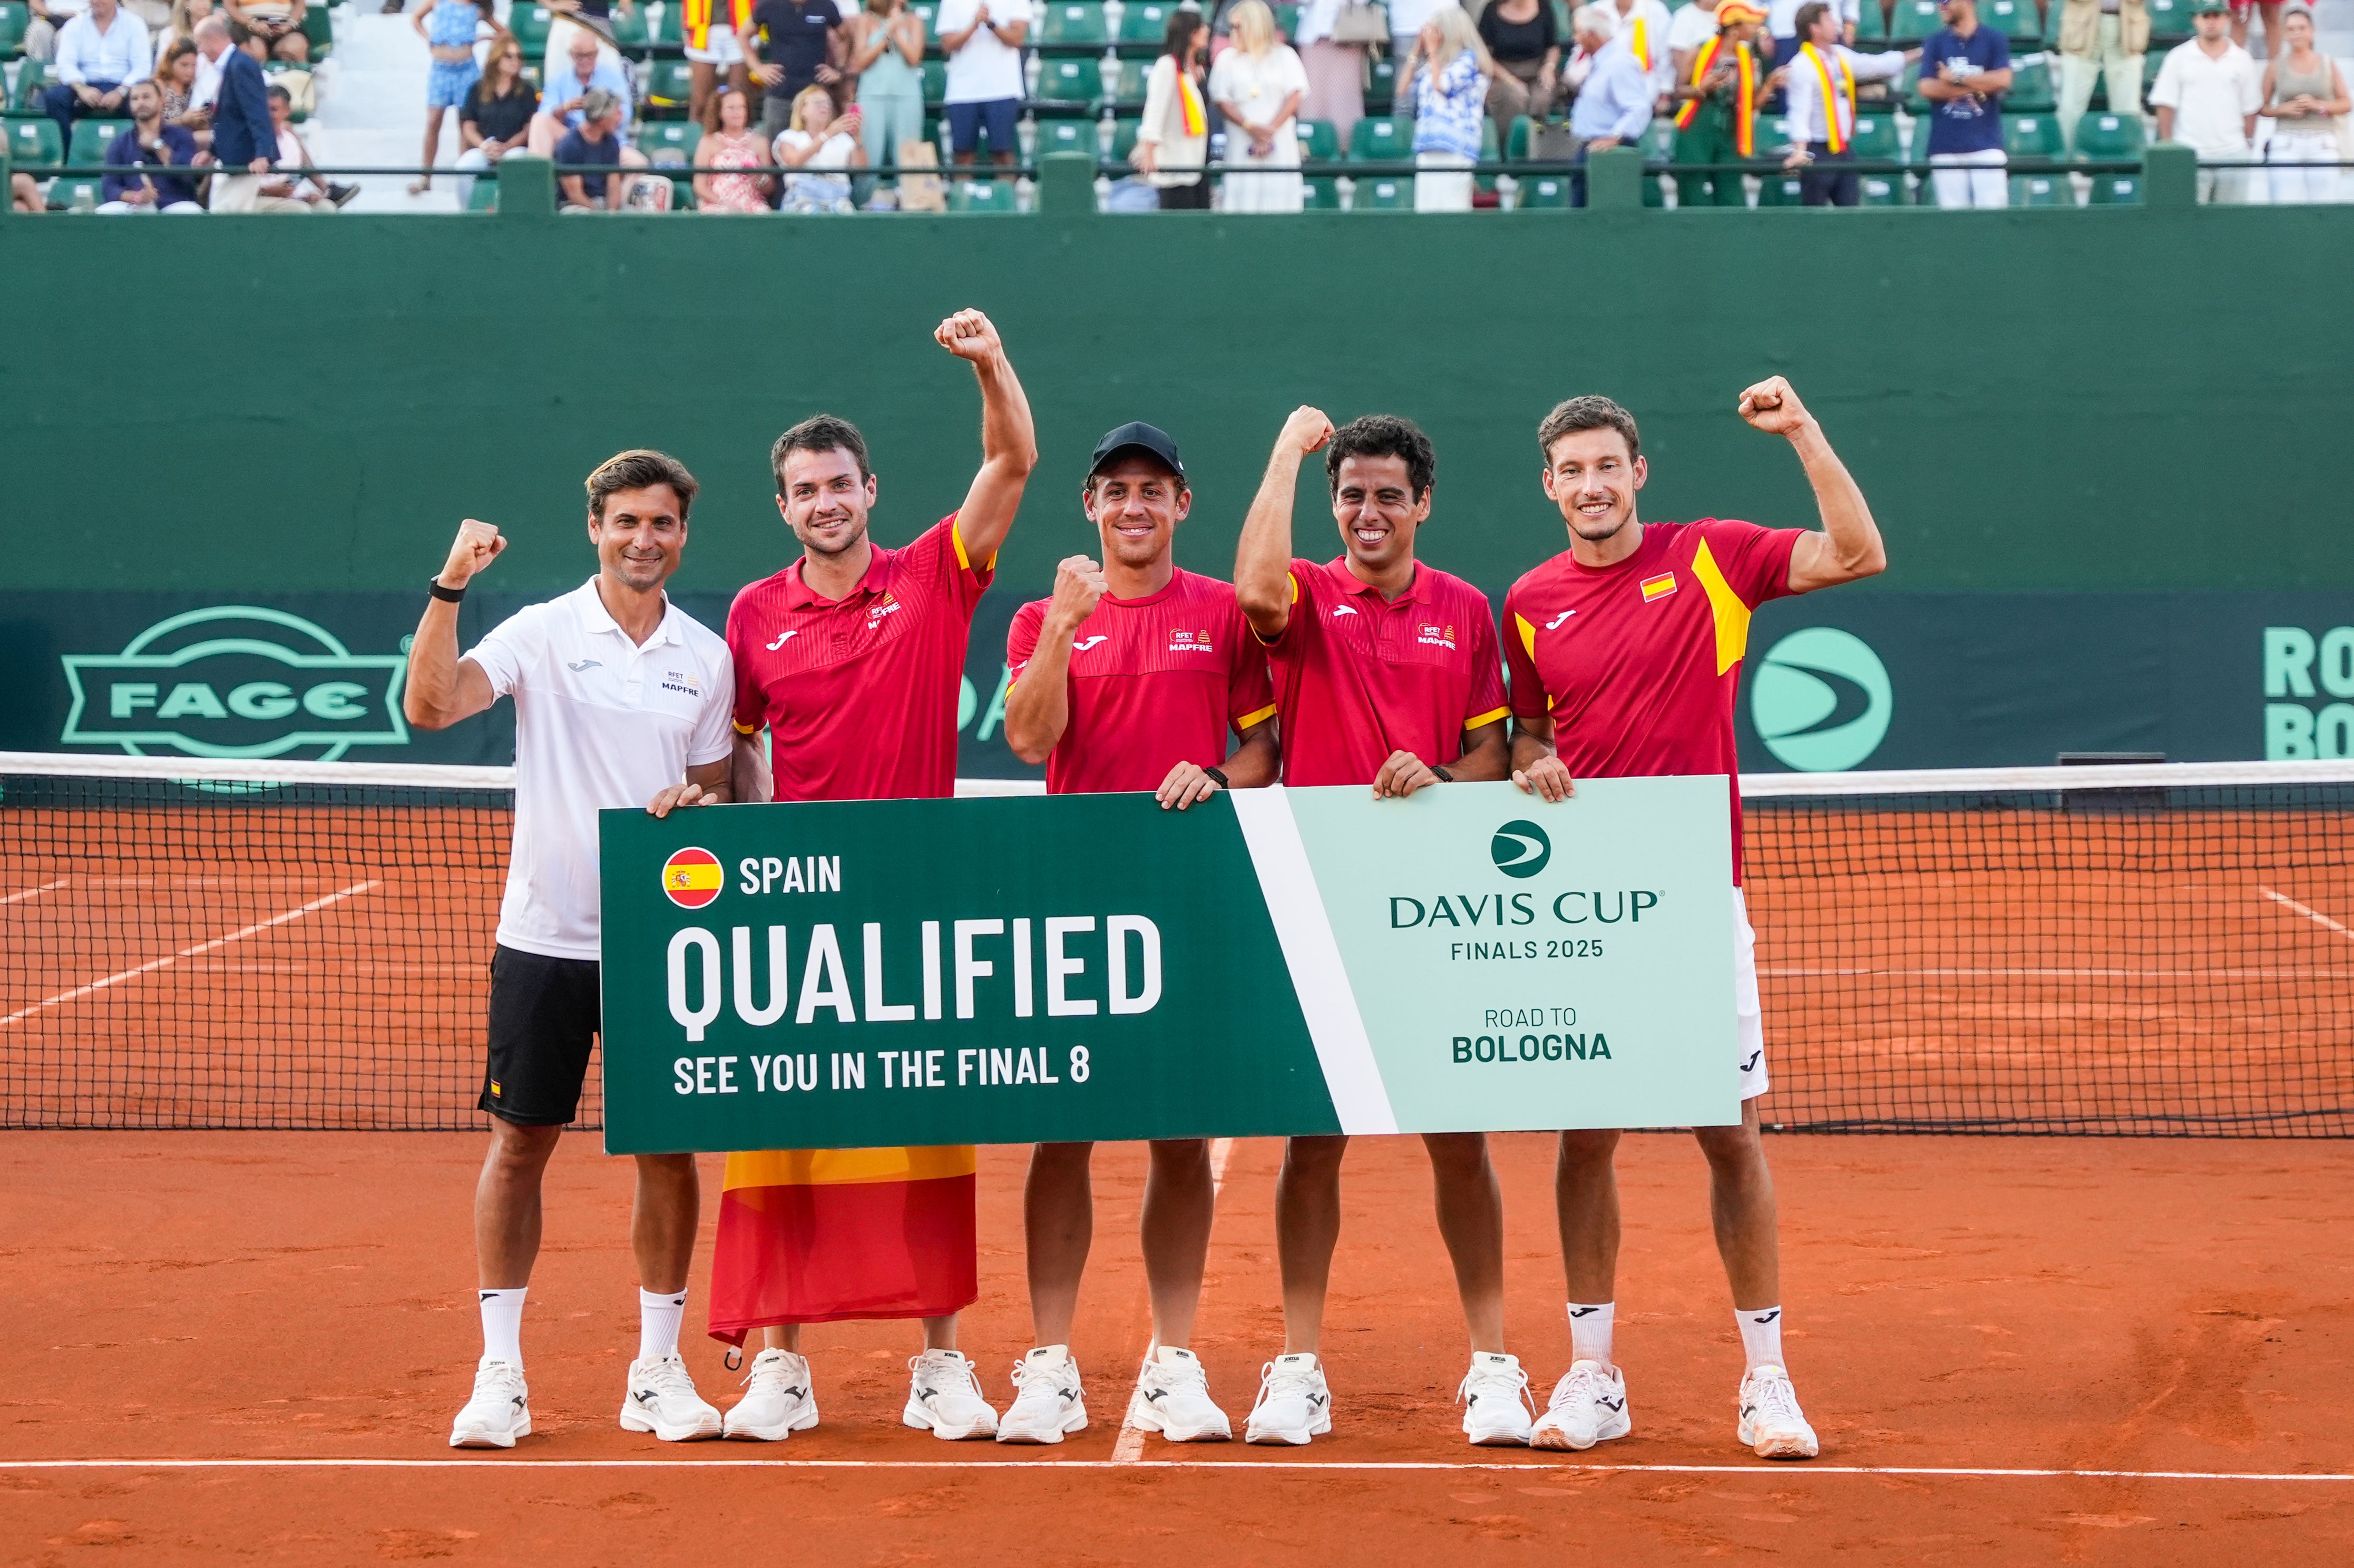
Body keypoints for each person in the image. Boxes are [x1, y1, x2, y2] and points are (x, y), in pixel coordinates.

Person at [1503, 380, 1886, 1460]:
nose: (1590, 485)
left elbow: (1855, 552)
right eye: (1570, 470)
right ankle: (1591, 1377)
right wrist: (1533, 763)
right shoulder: (1528, 598)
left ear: (1638, 474)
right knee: (1585, 1136)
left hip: (1693, 893)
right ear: (1549, 486)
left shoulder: (1709, 558)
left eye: (1605, 466)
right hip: (1584, 906)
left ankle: (1766, 1383)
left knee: (1729, 1134)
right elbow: (1529, 729)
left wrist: (1802, 429)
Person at [714, 311, 1036, 1444]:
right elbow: (736, 754)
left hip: (920, 901)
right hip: (799, 912)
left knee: (925, 1133)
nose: (824, 503)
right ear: (784, 506)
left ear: (870, 490)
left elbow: (1011, 462)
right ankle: (779, 1369)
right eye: (804, 490)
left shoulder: (936, 575)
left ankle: (939, 1365)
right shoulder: (754, 614)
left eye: (840, 484)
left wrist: (989, 363)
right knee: (783, 1137)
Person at [404, 450, 737, 1452]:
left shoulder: (704, 656)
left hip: (660, 941)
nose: (645, 538)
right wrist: (449, 583)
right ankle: (499, 1374)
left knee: (668, 1153)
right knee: (520, 1146)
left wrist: (700, 803)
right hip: (543, 937)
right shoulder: (543, 633)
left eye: (663, 523)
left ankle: (656, 1371)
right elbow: (430, 706)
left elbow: (718, 790)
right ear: (595, 526)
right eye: (627, 521)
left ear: (682, 535)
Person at [1230, 409, 1521, 1448]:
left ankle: (1492, 1362)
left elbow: (1492, 757)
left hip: (1437, 908)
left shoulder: (1465, 610)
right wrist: (1285, 454)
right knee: (1312, 1144)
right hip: (1320, 895)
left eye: (1387, 495)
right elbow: (1255, 587)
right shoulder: (1303, 595)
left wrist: (1439, 778)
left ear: (1422, 505)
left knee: (1457, 1141)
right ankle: (1298, 1363)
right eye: (1351, 495)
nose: (1367, 512)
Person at [993, 422, 1280, 1447]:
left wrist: (1218, 778)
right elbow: (1031, 736)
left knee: (1179, 1135)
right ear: (1089, 506)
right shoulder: (1040, 616)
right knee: (1060, 1131)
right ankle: (1050, 1366)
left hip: (1193, 900)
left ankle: (1173, 1358)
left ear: (1182, 506)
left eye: (1153, 490)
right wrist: (1068, 627)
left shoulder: (1223, 616)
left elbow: (1260, 747)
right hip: (1076, 899)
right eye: (1116, 490)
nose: (1134, 506)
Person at [1777, 1, 1907, 205]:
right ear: (1814, 29)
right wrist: (1801, 151)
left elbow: (1876, 65)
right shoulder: (1802, 65)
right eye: (1828, 19)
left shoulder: (1840, 56)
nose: (1835, 23)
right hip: (1818, 150)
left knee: (1851, 215)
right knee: (1815, 217)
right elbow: (1799, 112)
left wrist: (1919, 54)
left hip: (1844, 151)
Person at [2150, 0, 2262, 203]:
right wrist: (2170, 147)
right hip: (2190, 153)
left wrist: (2244, 145)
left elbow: (2250, 109)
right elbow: (2165, 105)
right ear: (2195, 20)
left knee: (2231, 224)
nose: (2211, 22)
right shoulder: (2178, 58)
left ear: (2227, 18)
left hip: (2233, 154)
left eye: (2216, 16)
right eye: (2205, 16)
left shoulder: (2243, 59)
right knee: (2189, 226)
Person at [1210, 0, 1307, 212]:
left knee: (1280, 204)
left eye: (1238, 27)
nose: (1233, 32)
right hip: (1242, 142)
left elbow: (1296, 95)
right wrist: (1249, 126)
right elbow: (1221, 99)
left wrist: (1269, 131)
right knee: (1242, 202)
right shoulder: (1227, 59)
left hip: (1279, 142)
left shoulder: (1285, 56)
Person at [1671, 2, 1765, 208]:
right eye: (1751, 24)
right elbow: (1678, 90)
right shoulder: (1700, 50)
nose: (1756, 29)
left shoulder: (1748, 58)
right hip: (1697, 128)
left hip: (1730, 130)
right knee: (1693, 191)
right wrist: (1702, 88)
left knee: (1731, 191)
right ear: (1734, 28)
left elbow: (1752, 104)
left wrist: (1771, 85)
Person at [1917, 0, 2009, 207]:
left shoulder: (1994, 39)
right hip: (1945, 146)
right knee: (1953, 225)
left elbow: (2003, 79)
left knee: (1993, 219)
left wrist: (1956, 79)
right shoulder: (1935, 42)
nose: (1940, 6)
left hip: (1986, 144)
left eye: (1945, 1)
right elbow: (1926, 88)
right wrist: (1981, 85)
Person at [1403, 5, 1491, 210]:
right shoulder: (1435, 63)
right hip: (1429, 143)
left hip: (1457, 144)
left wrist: (1432, 51)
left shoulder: (1469, 60)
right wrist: (1416, 50)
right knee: (1426, 208)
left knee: (1452, 209)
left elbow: (1442, 86)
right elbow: (1403, 89)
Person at [46, 0, 153, 165]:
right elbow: (65, 64)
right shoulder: (75, 25)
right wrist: (82, 89)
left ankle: (138, 160)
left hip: (123, 86)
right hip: (85, 85)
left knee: (143, 101)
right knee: (55, 97)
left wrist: (122, 91)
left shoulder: (134, 24)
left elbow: (142, 67)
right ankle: (65, 160)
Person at [2259, 6, 2345, 203]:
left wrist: (2318, 105)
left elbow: (2346, 103)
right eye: (2291, 29)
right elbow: (2261, 107)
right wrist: (2283, 109)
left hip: (2322, 140)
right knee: (2285, 203)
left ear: (2311, 31)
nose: (2297, 33)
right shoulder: (2275, 66)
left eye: (2301, 28)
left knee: (2325, 207)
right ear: (2284, 33)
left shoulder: (2327, 63)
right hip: (2287, 139)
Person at [1567, 4, 1650, 204]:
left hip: (1611, 154)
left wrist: (1615, 137)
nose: (1575, 39)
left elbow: (1639, 107)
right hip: (1592, 148)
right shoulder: (1599, 63)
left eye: (1578, 33)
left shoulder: (1620, 63)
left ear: (1592, 35)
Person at [196, 15, 280, 213]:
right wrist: (212, 151)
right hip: (232, 159)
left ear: (213, 40)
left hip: (246, 161)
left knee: (228, 217)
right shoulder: (232, 65)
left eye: (200, 43)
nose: (199, 50)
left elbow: (257, 112)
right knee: (223, 215)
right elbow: (230, 117)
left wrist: (262, 155)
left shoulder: (241, 65)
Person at [932, 0, 1025, 168]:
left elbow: (1017, 39)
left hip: (1002, 88)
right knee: (963, 156)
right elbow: (947, 45)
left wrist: (990, 24)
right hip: (963, 90)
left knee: (1003, 154)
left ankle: (1006, 194)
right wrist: (974, 25)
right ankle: (962, 194)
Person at [1136, 9, 1212, 209]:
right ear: (1190, 33)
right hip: (1175, 159)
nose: (1206, 30)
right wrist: (1149, 151)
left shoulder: (1195, 68)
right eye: (1201, 27)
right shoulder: (1167, 66)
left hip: (1198, 159)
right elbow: (1155, 108)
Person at [410, 0, 486, 194]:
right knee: (434, 120)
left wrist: (484, 37)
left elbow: (502, 31)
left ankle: (464, 176)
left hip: (467, 70)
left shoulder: (477, 6)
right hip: (441, 69)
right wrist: (429, 38)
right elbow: (417, 18)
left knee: (465, 124)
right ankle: (425, 176)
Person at [454, 31, 538, 207]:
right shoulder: (477, 88)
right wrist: (484, 146)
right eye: (509, 56)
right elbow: (468, 126)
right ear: (497, 58)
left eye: (518, 56)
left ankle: (511, 216)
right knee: (464, 167)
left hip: (514, 148)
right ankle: (468, 215)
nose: (516, 61)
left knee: (516, 165)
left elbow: (530, 128)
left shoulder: (527, 90)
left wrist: (507, 147)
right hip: (485, 147)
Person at [847, 0, 924, 188]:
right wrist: (887, 34)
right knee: (869, 156)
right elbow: (859, 61)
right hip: (872, 96)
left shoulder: (914, 21)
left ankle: (912, 206)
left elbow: (914, 58)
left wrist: (898, 31)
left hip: (907, 96)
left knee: (908, 159)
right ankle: (863, 206)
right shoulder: (865, 20)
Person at [100, 79, 206, 212]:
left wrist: (158, 146)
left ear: (161, 101)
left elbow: (186, 173)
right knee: (107, 211)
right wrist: (136, 196)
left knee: (191, 211)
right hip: (135, 207)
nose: (141, 103)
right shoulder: (120, 142)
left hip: (174, 204)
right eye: (135, 99)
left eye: (146, 97)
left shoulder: (182, 136)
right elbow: (109, 187)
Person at [748, 0, 846, 143]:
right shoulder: (768, 5)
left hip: (815, 93)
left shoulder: (826, 5)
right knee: (774, 150)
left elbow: (845, 38)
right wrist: (757, 68)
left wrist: (839, 70)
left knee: (818, 148)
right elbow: (743, 35)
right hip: (780, 93)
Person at [530, 29, 634, 158]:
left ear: (597, 54)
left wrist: (601, 115)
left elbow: (625, 114)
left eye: (590, 55)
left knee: (638, 163)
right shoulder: (558, 80)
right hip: (570, 139)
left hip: (606, 141)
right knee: (539, 120)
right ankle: (539, 173)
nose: (585, 61)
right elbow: (546, 113)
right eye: (580, 56)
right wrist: (566, 107)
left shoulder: (613, 77)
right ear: (571, 55)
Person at [773, 81, 865, 210]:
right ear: (802, 110)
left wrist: (857, 137)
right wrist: (827, 135)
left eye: (828, 103)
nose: (825, 107)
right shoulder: (789, 136)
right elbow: (793, 162)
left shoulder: (843, 138)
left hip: (838, 200)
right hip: (802, 200)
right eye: (818, 103)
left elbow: (860, 171)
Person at [1479, 0, 1562, 134]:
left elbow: (1553, 46)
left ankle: (1536, 145)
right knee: (1513, 98)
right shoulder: (1491, 10)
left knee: (1542, 97)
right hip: (1502, 73)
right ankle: (1510, 146)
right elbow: (1483, 55)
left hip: (1537, 70)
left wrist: (1549, 67)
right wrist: (1511, 80)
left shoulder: (1545, 7)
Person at [256, 79, 341, 209]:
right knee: (299, 210)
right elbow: (239, 186)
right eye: (265, 109)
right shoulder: (248, 139)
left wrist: (306, 196)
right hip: (256, 198)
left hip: (286, 200)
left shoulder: (290, 141)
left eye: (274, 110)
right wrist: (268, 191)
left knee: (326, 207)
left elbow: (293, 180)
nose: (268, 115)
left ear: (287, 111)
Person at [1293, 0, 1366, 147]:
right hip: (1312, 39)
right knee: (1312, 98)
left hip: (1348, 36)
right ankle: (1310, 146)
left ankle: (1345, 149)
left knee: (1344, 100)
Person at [693, 85, 775, 209]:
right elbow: (700, 186)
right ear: (719, 112)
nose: (737, 113)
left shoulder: (760, 142)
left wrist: (759, 178)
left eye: (741, 108)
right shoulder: (708, 142)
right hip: (718, 203)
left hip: (752, 204)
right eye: (731, 108)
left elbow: (769, 188)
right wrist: (723, 203)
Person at [555, 88, 636, 210]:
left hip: (602, 202)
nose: (621, 117)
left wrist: (611, 215)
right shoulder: (569, 145)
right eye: (617, 112)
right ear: (603, 118)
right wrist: (599, 218)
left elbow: (613, 186)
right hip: (574, 206)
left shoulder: (612, 142)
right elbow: (575, 195)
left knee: (633, 214)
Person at [683, 0, 755, 129]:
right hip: (703, 28)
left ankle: (739, 145)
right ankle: (699, 144)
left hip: (742, 25)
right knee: (700, 102)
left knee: (740, 98)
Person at [155, 38, 214, 149]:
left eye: (194, 66)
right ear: (170, 63)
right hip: (165, 139)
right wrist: (183, 120)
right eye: (184, 65)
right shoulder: (160, 87)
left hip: (188, 136)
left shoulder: (192, 91)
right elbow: (153, 125)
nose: (190, 72)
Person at [224, 0, 309, 63]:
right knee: (255, 51)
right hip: (248, 24)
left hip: (284, 23)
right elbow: (230, 6)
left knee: (296, 47)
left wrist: (289, 24)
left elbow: (300, 3)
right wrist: (252, 24)